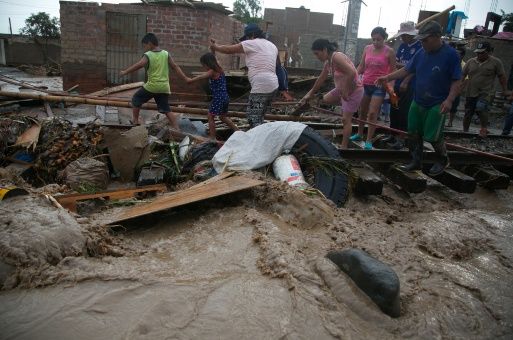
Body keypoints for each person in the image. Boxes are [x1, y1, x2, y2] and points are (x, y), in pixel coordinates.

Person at [376, 21, 462, 176]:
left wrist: (449, 100)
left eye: (425, 40)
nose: (422, 43)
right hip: (418, 99)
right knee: (413, 132)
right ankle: (416, 161)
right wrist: (387, 77)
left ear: (437, 37)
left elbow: (457, 80)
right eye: (421, 39)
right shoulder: (421, 53)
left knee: (433, 136)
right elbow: (406, 70)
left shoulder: (451, 55)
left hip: (438, 102)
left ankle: (443, 159)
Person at [210, 23, 278, 128]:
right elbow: (276, 65)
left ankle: (258, 140)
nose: (245, 40)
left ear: (252, 35)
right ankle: (261, 136)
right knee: (259, 117)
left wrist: (215, 47)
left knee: (253, 118)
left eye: (246, 37)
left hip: (261, 86)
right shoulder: (272, 45)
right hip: (273, 85)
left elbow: (229, 50)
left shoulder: (251, 43)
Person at [300, 39, 364, 149]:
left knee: (345, 119)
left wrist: (345, 90)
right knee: (324, 99)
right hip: (341, 90)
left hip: (354, 91)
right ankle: (348, 107)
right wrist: (309, 94)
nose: (317, 56)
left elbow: (352, 72)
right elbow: (321, 79)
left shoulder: (336, 57)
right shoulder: (328, 63)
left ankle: (344, 147)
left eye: (317, 53)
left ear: (324, 50)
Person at [120, 33, 187, 131]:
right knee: (166, 109)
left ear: (150, 43)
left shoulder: (148, 55)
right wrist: (185, 78)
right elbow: (175, 66)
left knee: (136, 99)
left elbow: (140, 64)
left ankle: (134, 121)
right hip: (164, 87)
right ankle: (177, 129)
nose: (144, 48)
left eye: (145, 46)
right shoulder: (165, 53)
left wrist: (125, 72)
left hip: (152, 86)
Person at [352, 27, 396, 150]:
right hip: (365, 84)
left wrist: (391, 86)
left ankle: (369, 140)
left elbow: (393, 71)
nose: (376, 42)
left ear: (384, 39)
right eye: (374, 39)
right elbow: (361, 66)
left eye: (379, 40)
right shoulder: (367, 48)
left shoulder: (389, 52)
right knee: (362, 111)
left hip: (379, 86)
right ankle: (359, 134)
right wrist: (353, 77)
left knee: (372, 113)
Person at [183, 52, 239, 140]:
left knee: (210, 116)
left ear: (207, 63)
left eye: (203, 65)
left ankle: (213, 138)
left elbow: (202, 76)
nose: (203, 67)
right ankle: (237, 130)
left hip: (218, 98)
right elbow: (214, 57)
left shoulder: (212, 71)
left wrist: (190, 80)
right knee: (223, 117)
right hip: (225, 97)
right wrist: (213, 48)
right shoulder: (220, 69)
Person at [462, 41, 510, 137]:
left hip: (486, 92)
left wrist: (505, 90)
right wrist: (459, 86)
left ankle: (484, 129)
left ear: (489, 52)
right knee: (468, 112)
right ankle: (465, 131)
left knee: (481, 108)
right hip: (471, 92)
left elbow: (502, 77)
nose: (479, 55)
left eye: (482, 52)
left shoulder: (496, 62)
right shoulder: (471, 62)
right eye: (478, 52)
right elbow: (462, 75)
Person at [387, 21, 422, 149]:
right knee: (394, 109)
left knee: (404, 112)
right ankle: (393, 134)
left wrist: (406, 80)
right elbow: (398, 65)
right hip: (397, 83)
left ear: (410, 34)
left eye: (404, 35)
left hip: (410, 85)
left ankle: (402, 138)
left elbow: (415, 68)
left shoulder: (419, 47)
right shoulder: (402, 46)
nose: (402, 37)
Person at [447, 47, 466, 127]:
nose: (457, 54)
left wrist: (459, 90)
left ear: (463, 55)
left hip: (456, 89)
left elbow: (466, 79)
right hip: (446, 88)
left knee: (453, 107)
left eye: (459, 53)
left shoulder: (464, 65)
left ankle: (450, 122)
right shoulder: (450, 62)